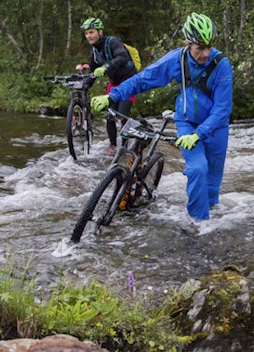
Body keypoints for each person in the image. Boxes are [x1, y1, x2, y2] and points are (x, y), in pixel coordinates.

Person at [91, 12, 233, 230]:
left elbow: (222, 109)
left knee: (212, 186)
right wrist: (113, 96)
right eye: (199, 48)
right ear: (187, 43)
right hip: (187, 122)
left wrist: (200, 134)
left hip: (216, 128)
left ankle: (210, 214)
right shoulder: (177, 59)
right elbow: (143, 79)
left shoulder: (221, 65)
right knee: (197, 170)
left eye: (208, 47)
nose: (205, 53)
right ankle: (199, 226)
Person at [77, 17, 138, 151]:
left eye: (91, 32)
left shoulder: (113, 42)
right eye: (86, 33)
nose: (88, 36)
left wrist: (106, 67)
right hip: (114, 84)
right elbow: (93, 74)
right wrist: (84, 86)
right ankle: (112, 146)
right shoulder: (94, 53)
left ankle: (125, 146)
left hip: (130, 82)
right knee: (110, 115)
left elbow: (122, 57)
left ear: (100, 32)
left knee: (122, 113)